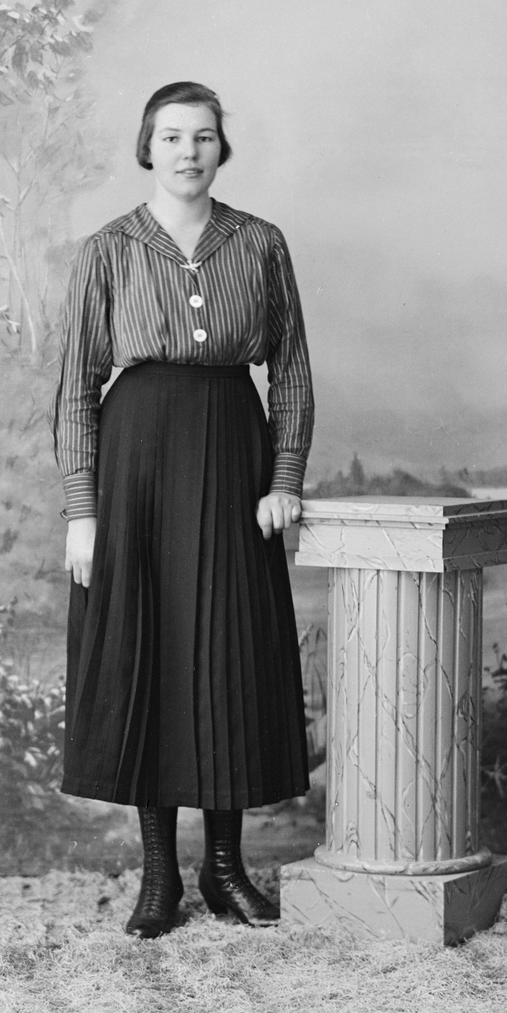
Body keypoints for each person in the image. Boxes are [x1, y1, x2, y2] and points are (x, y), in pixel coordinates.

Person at [49, 81, 314, 938]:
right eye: (171, 137)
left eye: (202, 137)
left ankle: (225, 869)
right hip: (137, 465)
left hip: (234, 455)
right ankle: (159, 875)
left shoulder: (261, 244)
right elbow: (76, 389)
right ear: (147, 147)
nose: (188, 152)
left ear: (219, 149)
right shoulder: (107, 250)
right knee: (151, 651)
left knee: (228, 650)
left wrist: (283, 479)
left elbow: (292, 371)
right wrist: (83, 512)